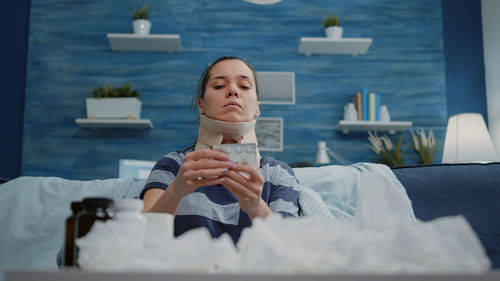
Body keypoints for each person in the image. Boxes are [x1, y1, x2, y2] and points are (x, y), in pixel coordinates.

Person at [141, 56, 300, 243]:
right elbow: (141, 236)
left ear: (257, 107)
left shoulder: (277, 174)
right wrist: (176, 191)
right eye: (218, 86)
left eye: (244, 86)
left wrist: (256, 207)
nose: (233, 91)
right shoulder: (174, 166)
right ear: (201, 105)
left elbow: (291, 248)